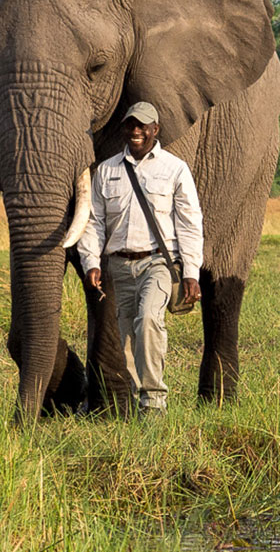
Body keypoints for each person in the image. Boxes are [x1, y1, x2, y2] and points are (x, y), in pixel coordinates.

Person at [77, 101, 204, 417]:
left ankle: (154, 401)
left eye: (142, 126)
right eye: (131, 125)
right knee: (126, 339)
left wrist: (191, 272)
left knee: (148, 319)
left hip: (158, 263)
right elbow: (93, 222)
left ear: (155, 130)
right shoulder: (106, 171)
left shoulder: (174, 169)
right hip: (117, 266)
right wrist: (91, 263)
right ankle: (139, 400)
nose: (136, 131)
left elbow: (190, 222)